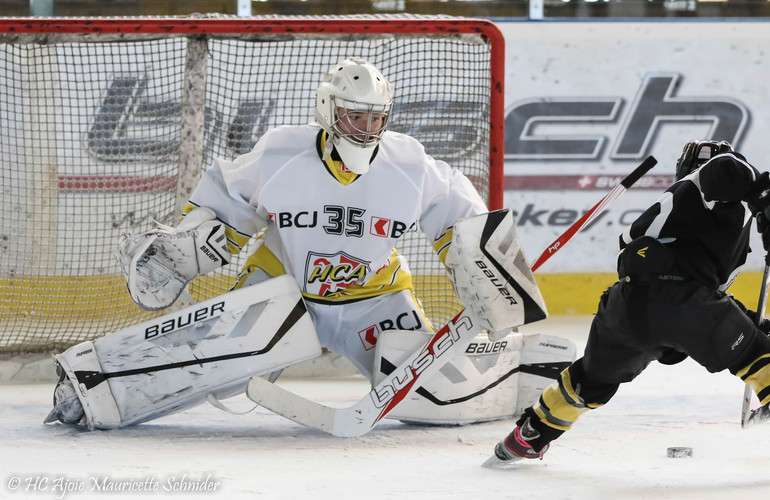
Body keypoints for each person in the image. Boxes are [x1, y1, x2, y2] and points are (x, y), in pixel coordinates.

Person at [45, 58, 548, 429]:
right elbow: (225, 202)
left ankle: (524, 369)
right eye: (355, 116)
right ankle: (92, 388)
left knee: (428, 397)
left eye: (376, 118)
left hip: (373, 301)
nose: (366, 128)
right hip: (284, 292)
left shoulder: (410, 164)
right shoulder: (281, 153)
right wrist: (186, 249)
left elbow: (464, 219)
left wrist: (492, 281)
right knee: (213, 374)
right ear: (328, 110)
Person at [486, 140, 770, 466]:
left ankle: (531, 434)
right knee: (755, 356)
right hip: (683, 304)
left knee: (588, 382)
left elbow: (689, 288)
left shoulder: (685, 206)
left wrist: (745, 321)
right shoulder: (710, 182)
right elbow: (726, 169)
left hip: (625, 308)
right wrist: (765, 198)